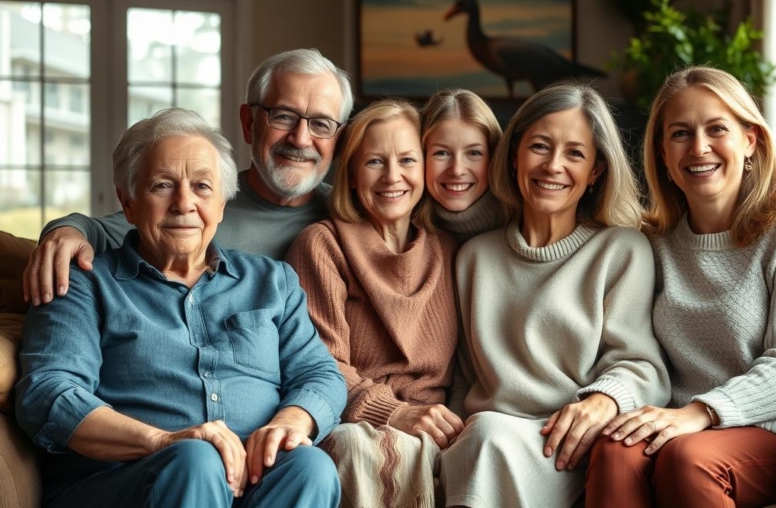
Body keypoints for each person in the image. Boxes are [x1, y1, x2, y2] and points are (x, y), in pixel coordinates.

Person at [14, 108, 348, 508]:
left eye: (203, 187)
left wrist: (288, 423)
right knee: (195, 460)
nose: (184, 203)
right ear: (128, 201)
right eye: (162, 185)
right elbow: (48, 394)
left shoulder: (272, 281)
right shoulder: (84, 283)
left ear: (223, 203)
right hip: (127, 481)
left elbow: (320, 373)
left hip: (254, 478)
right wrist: (162, 441)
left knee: (309, 466)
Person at [585, 66, 776, 507]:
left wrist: (702, 413)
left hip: (771, 429)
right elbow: (627, 349)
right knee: (614, 449)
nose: (699, 147)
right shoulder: (651, 242)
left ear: (750, 140)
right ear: (662, 154)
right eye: (680, 134)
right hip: (675, 424)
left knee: (688, 458)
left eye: (716, 129)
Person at [440, 83, 670, 507]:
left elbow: (641, 364)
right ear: (514, 157)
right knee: (483, 436)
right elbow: (463, 379)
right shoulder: (474, 258)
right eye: (540, 147)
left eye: (575, 154)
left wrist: (604, 399)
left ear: (596, 171)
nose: (553, 166)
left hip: (570, 443)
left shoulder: (621, 250)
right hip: (485, 436)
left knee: (488, 438)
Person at [23, 48, 353, 305]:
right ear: (249, 123)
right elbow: (95, 228)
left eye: (321, 124)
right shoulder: (200, 204)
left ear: (338, 140)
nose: (300, 138)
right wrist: (63, 232)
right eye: (284, 116)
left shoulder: (350, 216)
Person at [285, 99, 461, 508]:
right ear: (350, 172)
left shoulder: (451, 250)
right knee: (355, 447)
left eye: (407, 160)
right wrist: (393, 414)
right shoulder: (323, 245)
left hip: (439, 421)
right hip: (354, 418)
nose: (393, 176)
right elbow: (319, 363)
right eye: (375, 162)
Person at [419, 88, 504, 242]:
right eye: (442, 153)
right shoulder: (407, 235)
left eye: (474, 153)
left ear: (495, 158)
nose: (457, 170)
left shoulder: (523, 226)